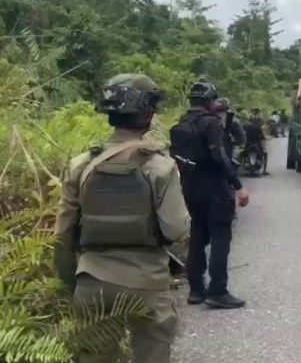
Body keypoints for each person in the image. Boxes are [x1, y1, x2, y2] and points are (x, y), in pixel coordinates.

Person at [53, 74, 190, 362]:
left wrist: (70, 285)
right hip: (147, 284)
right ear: (147, 113)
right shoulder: (160, 166)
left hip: (92, 282)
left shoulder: (81, 164)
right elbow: (176, 230)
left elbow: (62, 234)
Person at [170, 81, 249, 309]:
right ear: (210, 101)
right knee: (220, 238)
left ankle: (196, 289)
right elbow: (220, 157)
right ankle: (218, 290)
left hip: (190, 188)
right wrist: (238, 185)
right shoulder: (211, 124)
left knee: (197, 236)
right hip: (215, 189)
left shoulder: (182, 123)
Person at [243, 108, 269, 175]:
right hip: (257, 144)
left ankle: (239, 167)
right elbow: (263, 137)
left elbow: (242, 134)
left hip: (247, 144)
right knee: (265, 154)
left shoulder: (245, 126)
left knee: (242, 154)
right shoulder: (258, 127)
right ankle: (264, 171)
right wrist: (264, 138)